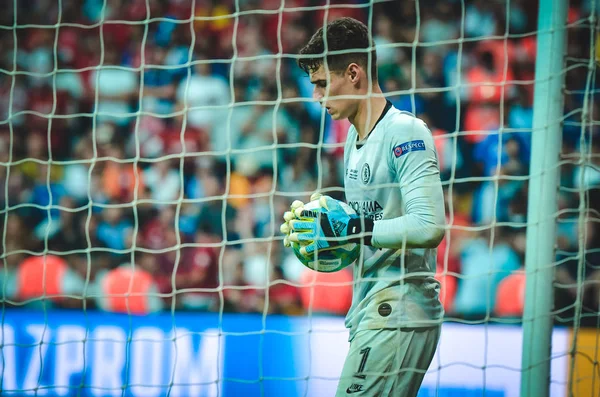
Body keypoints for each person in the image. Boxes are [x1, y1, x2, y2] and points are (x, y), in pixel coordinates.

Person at [280, 17, 446, 396]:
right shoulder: (353, 141)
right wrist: (321, 234)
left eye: (322, 84)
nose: (317, 97)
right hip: (372, 308)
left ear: (353, 73)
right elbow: (365, 232)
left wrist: (349, 228)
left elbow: (429, 226)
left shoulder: (406, 131)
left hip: (400, 309)